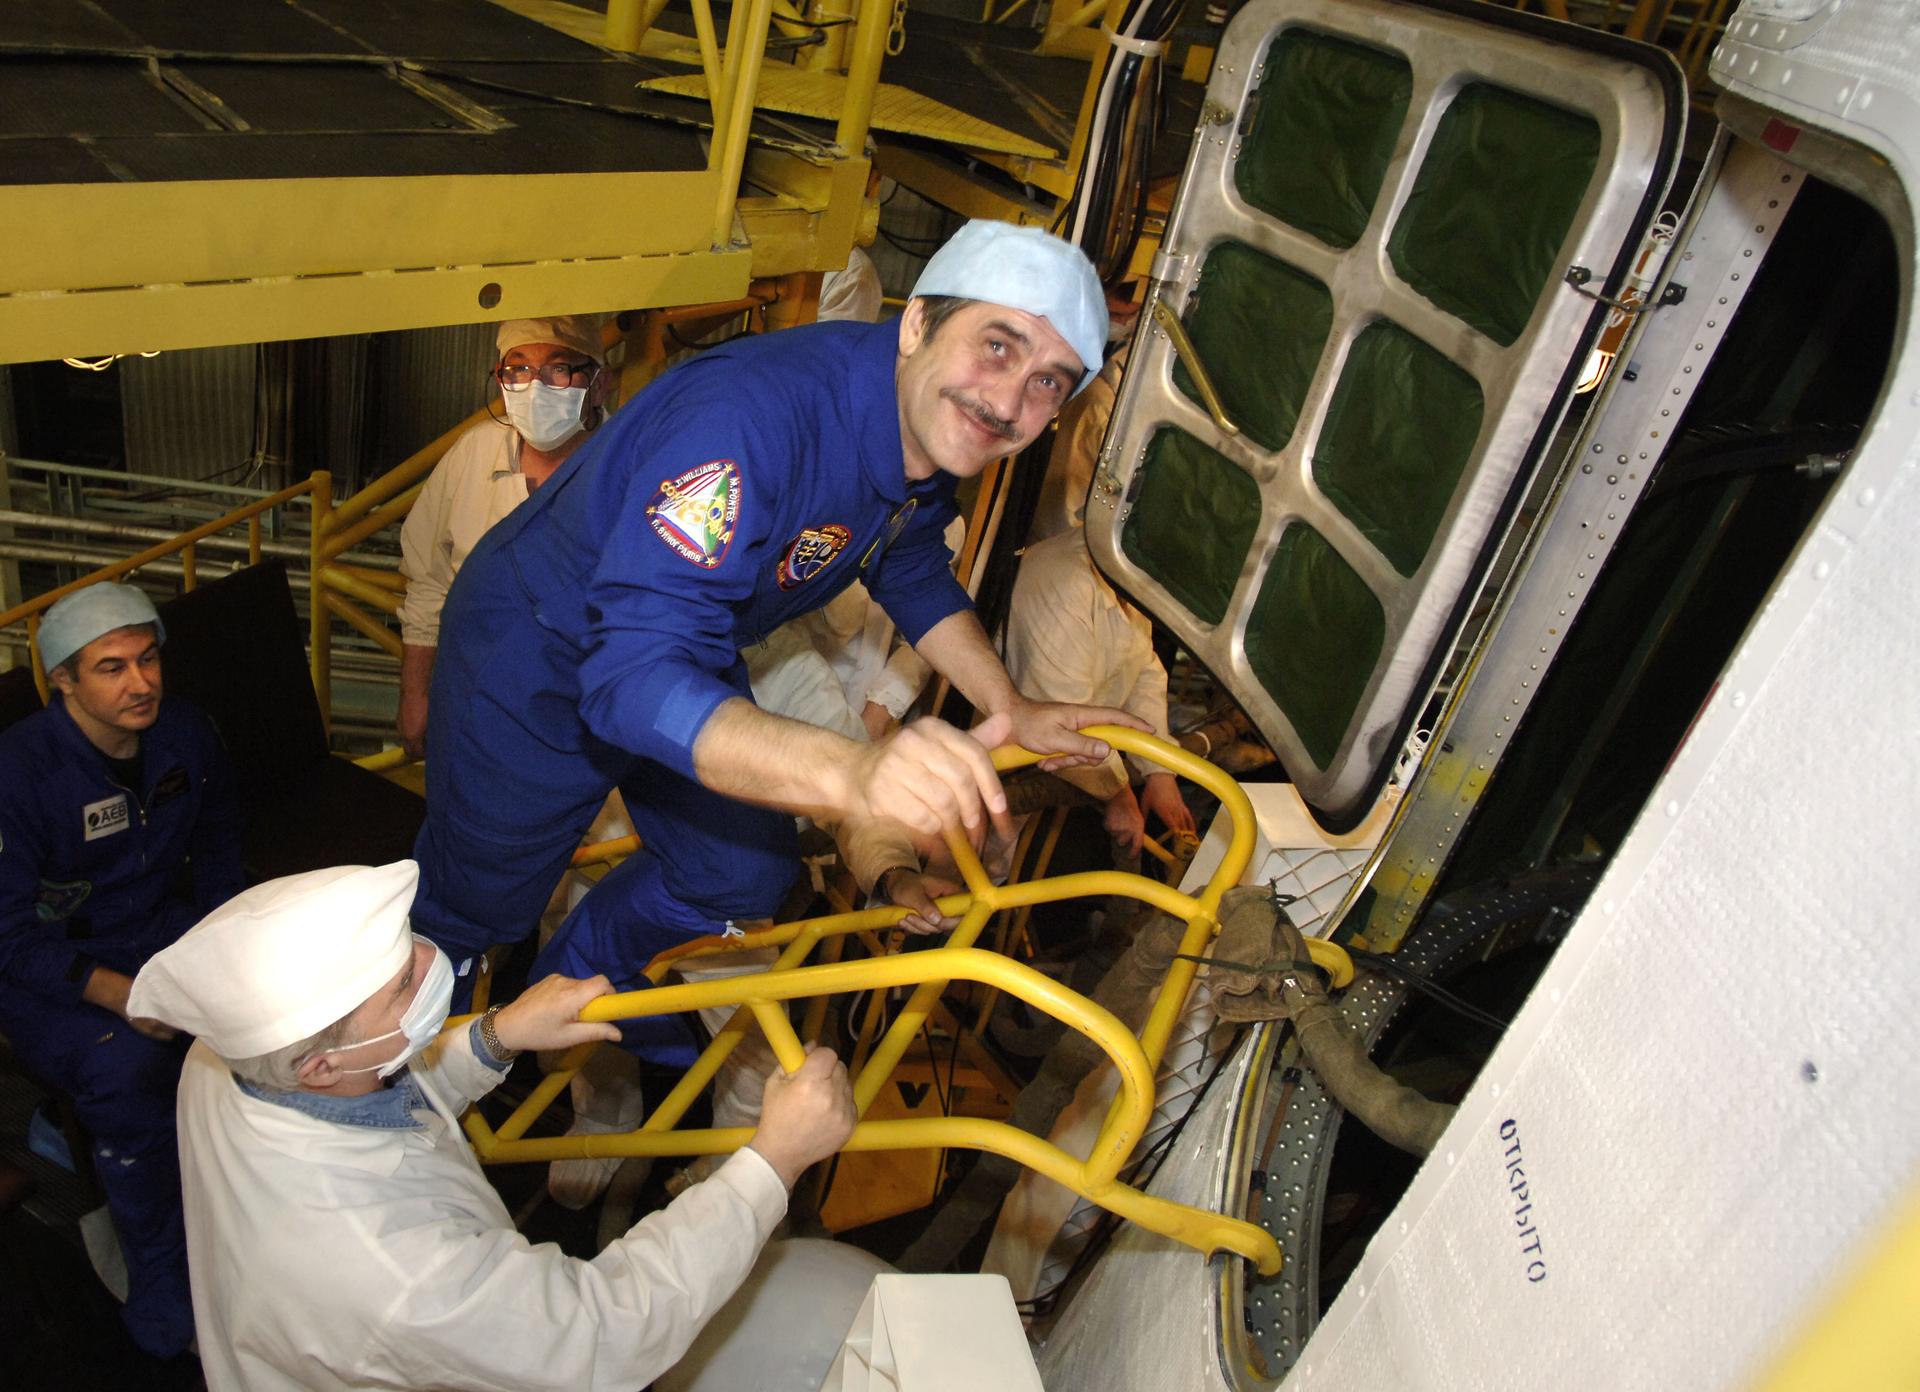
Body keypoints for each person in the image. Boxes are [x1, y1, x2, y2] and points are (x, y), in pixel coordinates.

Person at [410, 220, 1146, 1023]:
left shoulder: (923, 428)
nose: (1008, 403)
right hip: (539, 649)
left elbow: (907, 562)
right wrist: (855, 774)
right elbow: (631, 680)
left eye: (1048, 382)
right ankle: (399, 1072)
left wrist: (1011, 705)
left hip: (678, 645)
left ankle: (561, 999)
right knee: (475, 912)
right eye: (997, 347)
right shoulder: (749, 419)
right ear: (917, 323)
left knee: (738, 877)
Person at [126, 860, 858, 1392]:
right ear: (317, 1064)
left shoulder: (224, 1062)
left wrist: (496, 1035)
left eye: (409, 942)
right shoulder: (395, 1275)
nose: (432, 962)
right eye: (403, 984)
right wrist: (771, 1161)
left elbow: (381, 1097)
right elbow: (602, 1334)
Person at [0, 581, 244, 1357]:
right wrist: (120, 994)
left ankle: (244, 1213)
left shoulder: (185, 734)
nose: (141, 683)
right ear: (62, 681)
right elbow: (7, 933)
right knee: (131, 1073)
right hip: (50, 969)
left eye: (148, 659)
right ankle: (161, 1282)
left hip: (158, 928)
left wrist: (226, 946)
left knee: (255, 1022)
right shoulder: (19, 773)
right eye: (111, 668)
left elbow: (218, 845)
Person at [395, 314, 611, 758]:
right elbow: (428, 581)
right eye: (519, 368)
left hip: (584, 715)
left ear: (598, 385)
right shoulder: (474, 453)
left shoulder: (630, 467)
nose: (535, 387)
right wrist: (415, 694)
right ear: (501, 380)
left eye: (558, 368)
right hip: (473, 697)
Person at [1002, 527, 1195, 856]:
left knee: (992, 865)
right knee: (948, 862)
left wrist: (1159, 771)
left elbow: (1143, 670)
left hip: (1048, 760)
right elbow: (1059, 709)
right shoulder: (1065, 580)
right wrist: (1119, 794)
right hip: (1000, 754)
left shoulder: (1127, 573)